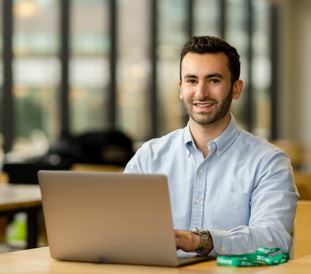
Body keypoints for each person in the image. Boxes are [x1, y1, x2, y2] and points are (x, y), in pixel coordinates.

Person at [124, 36, 298, 256]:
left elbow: (273, 238)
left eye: (214, 80)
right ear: (180, 88)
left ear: (236, 89)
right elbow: (120, 227)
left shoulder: (269, 162)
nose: (201, 93)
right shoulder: (148, 157)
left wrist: (200, 241)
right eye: (191, 80)